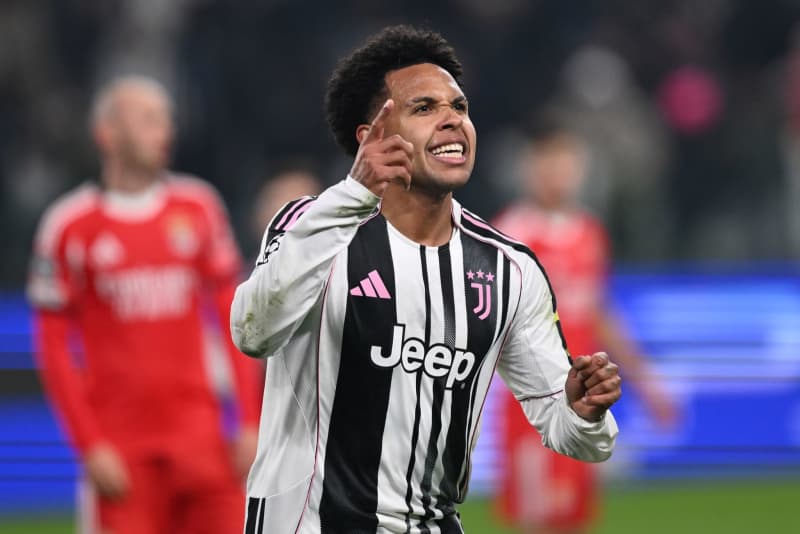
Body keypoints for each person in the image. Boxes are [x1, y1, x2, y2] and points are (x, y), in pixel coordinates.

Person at [231, 25, 621, 533]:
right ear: (371, 137)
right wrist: (352, 195)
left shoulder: (508, 269)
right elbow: (252, 332)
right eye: (424, 109)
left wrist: (584, 411)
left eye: (458, 107)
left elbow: (564, 421)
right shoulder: (313, 225)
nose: (452, 121)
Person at [27, 75, 260, 534]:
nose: (166, 130)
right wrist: (90, 445)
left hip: (204, 446)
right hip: (124, 455)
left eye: (167, 118)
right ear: (107, 134)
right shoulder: (69, 226)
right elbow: (53, 348)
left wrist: (250, 422)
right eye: (150, 119)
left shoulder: (198, 207)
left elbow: (238, 321)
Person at [492, 123, 677, 534]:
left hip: (586, 404)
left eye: (566, 162)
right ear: (530, 169)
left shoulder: (589, 233)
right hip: (532, 406)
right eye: (548, 162)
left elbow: (597, 313)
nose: (558, 172)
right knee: (536, 520)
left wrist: (647, 384)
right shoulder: (511, 234)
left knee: (573, 520)